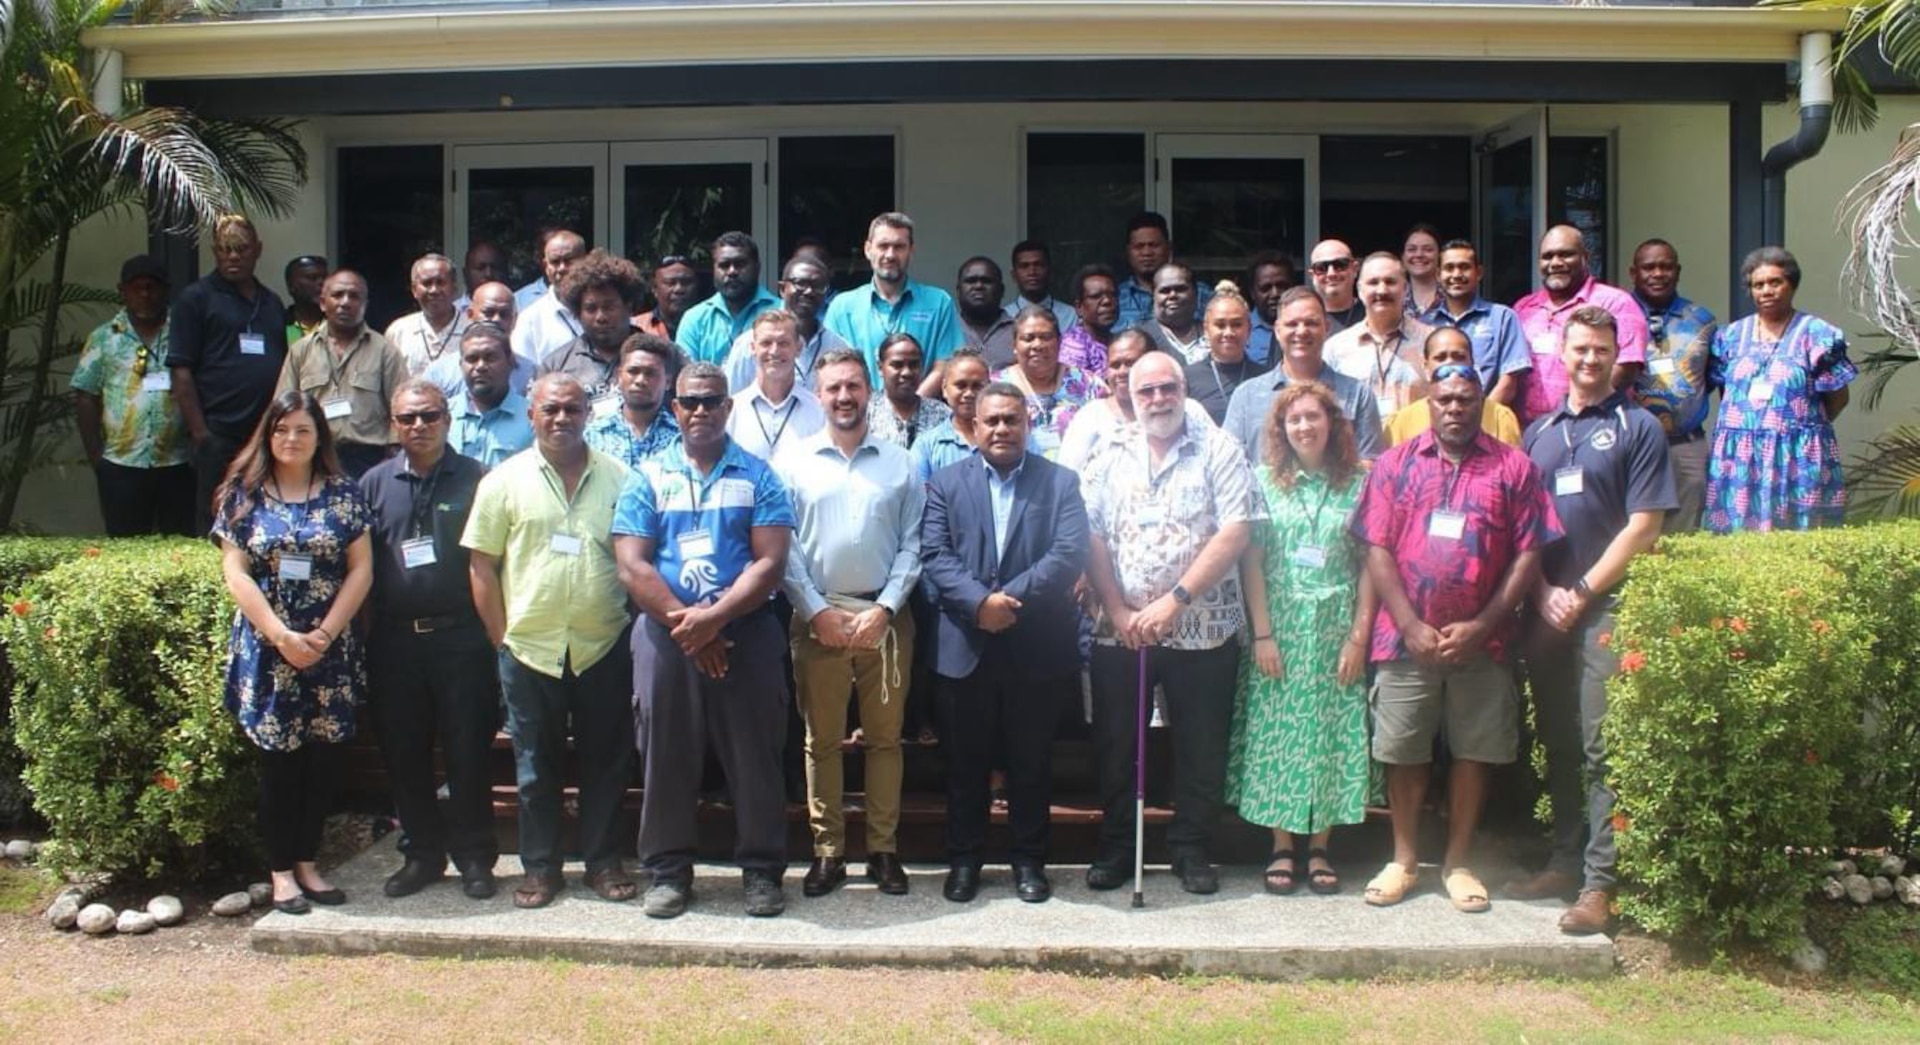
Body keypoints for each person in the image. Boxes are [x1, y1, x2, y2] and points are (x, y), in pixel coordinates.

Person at [1350, 364, 1561, 913]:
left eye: (1465, 399)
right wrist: (1409, 623)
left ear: (1480, 402)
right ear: (1429, 402)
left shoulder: (1514, 467)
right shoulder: (1395, 465)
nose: (1454, 408)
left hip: (1484, 643)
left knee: (1475, 750)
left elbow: (1529, 550)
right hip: (1403, 641)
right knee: (1403, 749)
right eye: (1444, 399)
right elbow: (1374, 546)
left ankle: (1459, 862)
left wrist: (1485, 623)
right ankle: (1403, 860)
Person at [1509, 306, 1674, 935]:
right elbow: (1524, 527)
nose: (1589, 359)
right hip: (1546, 607)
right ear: (1562, 354)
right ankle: (1562, 861)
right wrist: (1546, 589)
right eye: (1579, 349)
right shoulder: (1540, 432)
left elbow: (1644, 527)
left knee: (1599, 743)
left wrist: (1578, 590)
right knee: (1555, 736)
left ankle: (1599, 885)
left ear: (1616, 354)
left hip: (1603, 606)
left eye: (1601, 350)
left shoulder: (1638, 428)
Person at [613, 362, 797, 919]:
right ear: (675, 409)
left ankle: (763, 871)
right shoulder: (647, 475)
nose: (700, 411)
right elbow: (631, 564)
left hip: (746, 632)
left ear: (727, 407)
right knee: (665, 751)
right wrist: (689, 626)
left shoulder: (759, 475)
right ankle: (667, 872)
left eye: (711, 401)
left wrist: (713, 619)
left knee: (755, 752)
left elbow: (770, 562)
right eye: (690, 402)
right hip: (667, 636)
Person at [1083, 352, 1256, 895]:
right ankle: (1118, 846)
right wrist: (1117, 609)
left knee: (1201, 745)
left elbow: (1236, 530)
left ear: (1184, 389)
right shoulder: (1109, 451)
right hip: (1122, 629)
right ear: (1131, 397)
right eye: (1146, 391)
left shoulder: (1219, 448)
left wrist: (1175, 601)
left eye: (1166, 388)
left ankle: (1191, 848)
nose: (1157, 399)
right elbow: (1089, 534)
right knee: (1117, 744)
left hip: (1201, 626)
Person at [461, 374, 636, 910]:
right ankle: (540, 868)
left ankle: (603, 863)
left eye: (572, 409)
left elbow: (636, 562)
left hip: (602, 642)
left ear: (589, 413)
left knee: (606, 762)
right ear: (532, 415)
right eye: (550, 409)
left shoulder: (622, 479)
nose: (562, 418)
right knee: (535, 767)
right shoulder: (502, 482)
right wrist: (501, 641)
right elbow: (482, 566)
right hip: (529, 647)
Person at [921, 381, 1087, 904]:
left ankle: (1028, 861)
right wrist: (978, 604)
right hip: (965, 647)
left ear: (1027, 424)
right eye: (991, 420)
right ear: (973, 426)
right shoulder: (946, 483)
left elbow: (1067, 554)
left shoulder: (1060, 483)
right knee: (965, 764)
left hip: (1034, 645)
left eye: (1011, 420)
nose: (1001, 429)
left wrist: (1005, 602)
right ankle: (965, 860)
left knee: (1030, 762)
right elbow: (934, 553)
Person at [212, 389, 374, 915]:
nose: (291, 439)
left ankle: (308, 862)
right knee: (280, 766)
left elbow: (362, 570)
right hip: (269, 650)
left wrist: (324, 635)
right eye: (282, 430)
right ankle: (281, 871)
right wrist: (281, 634)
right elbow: (234, 572)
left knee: (323, 763)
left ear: (319, 437)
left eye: (303, 430)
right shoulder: (245, 495)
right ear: (268, 434)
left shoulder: (344, 495)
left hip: (330, 649)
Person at [775, 350, 924, 899]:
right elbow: (782, 547)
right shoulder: (793, 462)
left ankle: (883, 850)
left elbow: (914, 544)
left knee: (886, 741)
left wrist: (885, 608)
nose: (844, 396)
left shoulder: (899, 462)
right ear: (819, 395)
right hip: (819, 619)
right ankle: (828, 852)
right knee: (822, 743)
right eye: (833, 387)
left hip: (885, 620)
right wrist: (815, 610)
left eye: (854, 386)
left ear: (870, 392)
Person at [1230, 380, 1375, 897]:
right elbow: (1253, 559)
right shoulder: (1264, 481)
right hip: (1282, 626)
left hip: (1338, 624)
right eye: (1294, 420)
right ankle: (1282, 847)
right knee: (1279, 737)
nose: (1304, 427)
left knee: (1330, 735)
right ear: (1280, 429)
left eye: (1314, 417)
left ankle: (1320, 846)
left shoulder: (1360, 483)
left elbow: (1370, 566)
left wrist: (1359, 637)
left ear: (1332, 424)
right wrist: (1262, 634)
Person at [359, 379, 501, 901]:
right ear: (393, 424)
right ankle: (421, 854)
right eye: (407, 418)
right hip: (396, 643)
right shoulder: (373, 484)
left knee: (468, 751)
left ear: (447, 418)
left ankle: (475, 857)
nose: (418, 426)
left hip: (461, 638)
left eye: (429, 416)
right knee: (405, 752)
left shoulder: (477, 479)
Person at [1704, 246, 1857, 533]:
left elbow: (1838, 397)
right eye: (1758, 285)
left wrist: (1796, 428)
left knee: (1798, 541)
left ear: (1792, 284)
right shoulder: (1730, 336)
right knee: (1738, 544)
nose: (1767, 291)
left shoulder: (1817, 334)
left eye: (1776, 282)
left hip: (1796, 456)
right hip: (1740, 458)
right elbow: (1727, 392)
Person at [168, 214, 291, 534]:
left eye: (241, 248)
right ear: (214, 251)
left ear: (257, 250)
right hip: (217, 432)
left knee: (263, 514)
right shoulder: (195, 298)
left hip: (263, 434)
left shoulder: (272, 302)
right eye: (225, 249)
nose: (233, 256)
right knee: (213, 516)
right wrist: (200, 435)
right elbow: (181, 371)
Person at [73, 254, 195, 536]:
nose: (145, 294)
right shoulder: (104, 338)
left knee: (180, 545)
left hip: (177, 463)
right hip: (121, 464)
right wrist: (97, 458)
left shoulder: (185, 332)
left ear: (166, 289)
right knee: (125, 544)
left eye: (152, 286)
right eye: (136, 287)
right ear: (122, 291)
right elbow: (85, 396)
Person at [1223, 287, 1386, 463]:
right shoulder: (1246, 397)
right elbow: (1230, 466)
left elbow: (1370, 468)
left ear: (1327, 328)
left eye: (1311, 323)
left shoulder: (1357, 395)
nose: (1301, 331)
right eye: (1292, 324)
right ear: (1277, 330)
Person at [277, 269, 409, 478]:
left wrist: (390, 459)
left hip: (369, 461)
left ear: (365, 304)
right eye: (337, 295)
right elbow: (283, 407)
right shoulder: (301, 351)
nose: (345, 302)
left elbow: (402, 407)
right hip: (314, 459)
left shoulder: (385, 351)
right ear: (322, 302)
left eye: (354, 296)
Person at [1513, 225, 1649, 425]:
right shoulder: (1523, 308)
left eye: (1565, 254)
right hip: (1528, 432)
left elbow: (1626, 369)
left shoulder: (1616, 302)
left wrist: (1575, 415)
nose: (1556, 263)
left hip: (1596, 425)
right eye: (1547, 256)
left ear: (1586, 257)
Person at [1629, 239, 1718, 533]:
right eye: (1649, 267)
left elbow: (1717, 381)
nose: (1658, 274)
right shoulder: (1617, 316)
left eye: (1666, 267)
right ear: (1634, 273)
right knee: (1631, 530)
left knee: (1683, 534)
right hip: (1630, 446)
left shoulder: (1701, 320)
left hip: (1686, 445)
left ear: (1677, 272)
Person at [823, 212, 964, 393]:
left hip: (923, 415)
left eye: (899, 247)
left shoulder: (938, 303)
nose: (890, 254)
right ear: (868, 250)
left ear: (911, 251)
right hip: (860, 415)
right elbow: (831, 368)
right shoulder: (842, 307)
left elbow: (945, 365)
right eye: (883, 246)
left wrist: (911, 407)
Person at [1325, 253, 1434, 425]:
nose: (1382, 290)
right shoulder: (1335, 348)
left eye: (1390, 282)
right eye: (1373, 282)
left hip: (1415, 449)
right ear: (1360, 290)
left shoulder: (1431, 342)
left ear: (1405, 289)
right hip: (1358, 449)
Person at [536, 249, 646, 417]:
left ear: (629, 306)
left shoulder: (664, 357)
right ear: (577, 312)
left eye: (609, 307)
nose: (601, 317)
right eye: (591, 308)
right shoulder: (556, 365)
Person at [722, 254, 853, 394]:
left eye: (818, 285)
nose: (809, 291)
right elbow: (730, 402)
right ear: (782, 289)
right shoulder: (749, 344)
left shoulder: (838, 346)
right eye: (800, 283)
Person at [992, 306, 1108, 458]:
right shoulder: (995, 386)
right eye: (1028, 338)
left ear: (1059, 342)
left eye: (1046, 337)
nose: (1037, 345)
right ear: (1014, 345)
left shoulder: (1088, 383)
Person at [1385, 328, 1525, 448]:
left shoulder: (1500, 417)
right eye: (1440, 358)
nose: (1450, 364)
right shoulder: (1401, 423)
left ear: (1471, 364)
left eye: (1459, 357)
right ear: (1426, 368)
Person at [1430, 240, 1530, 408]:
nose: (1456, 274)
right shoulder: (1426, 324)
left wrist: (1476, 422)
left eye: (1464, 267)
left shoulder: (1502, 318)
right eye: (1449, 268)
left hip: (1486, 425)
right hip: (1435, 426)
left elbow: (1508, 383)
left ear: (1479, 273)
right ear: (1438, 275)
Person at [727, 310, 826, 460]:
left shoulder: (819, 411)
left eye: (783, 343)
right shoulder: (731, 411)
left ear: (798, 348)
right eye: (766, 343)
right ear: (753, 348)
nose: (774, 351)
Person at [678, 232, 782, 365]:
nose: (732, 271)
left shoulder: (781, 312)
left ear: (757, 267)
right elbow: (686, 378)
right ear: (714, 270)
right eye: (724, 265)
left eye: (740, 264)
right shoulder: (695, 319)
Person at [585, 332, 684, 467]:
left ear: (668, 382)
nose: (640, 381)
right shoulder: (593, 435)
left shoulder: (681, 438)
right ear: (619, 376)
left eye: (650, 373)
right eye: (633, 371)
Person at [445, 323, 534, 469]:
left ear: (511, 363)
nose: (480, 366)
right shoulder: (441, 416)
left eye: (490, 357)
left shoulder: (532, 418)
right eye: (472, 359)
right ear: (460, 365)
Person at [426, 280, 532, 400]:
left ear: (515, 319)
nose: (496, 319)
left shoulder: (530, 372)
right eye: (489, 313)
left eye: (504, 314)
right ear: (470, 315)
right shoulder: (440, 373)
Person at [1184, 281, 1271, 425]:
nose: (1229, 332)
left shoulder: (1266, 378)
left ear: (1249, 329)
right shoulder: (1186, 379)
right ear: (1206, 330)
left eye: (1237, 324)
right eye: (1220, 325)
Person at [1115, 212, 1211, 332]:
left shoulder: (1201, 293)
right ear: (1128, 252)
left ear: (1169, 248)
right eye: (1139, 246)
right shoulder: (1115, 297)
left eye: (1153, 245)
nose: (1146, 253)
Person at [912, 348, 995, 483]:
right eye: (961, 385)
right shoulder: (927, 445)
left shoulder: (1004, 439)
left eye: (977, 386)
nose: (969, 394)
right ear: (944, 388)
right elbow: (919, 497)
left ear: (989, 387)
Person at [384, 253, 470, 375]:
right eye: (427, 283)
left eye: (441, 282)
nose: (434, 290)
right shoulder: (399, 331)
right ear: (414, 290)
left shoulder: (472, 329)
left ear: (454, 288)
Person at [510, 229, 588, 363]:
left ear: (586, 261)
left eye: (569, 260)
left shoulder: (604, 310)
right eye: (555, 262)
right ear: (546, 266)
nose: (562, 268)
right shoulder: (531, 319)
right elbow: (523, 374)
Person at [866, 333, 951, 449]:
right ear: (881, 368)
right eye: (897, 365)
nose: (907, 372)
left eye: (913, 365)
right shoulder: (865, 414)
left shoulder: (943, 415)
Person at [956, 257, 1019, 369]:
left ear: (1001, 290)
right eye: (971, 281)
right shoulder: (945, 330)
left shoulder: (1020, 332)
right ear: (958, 290)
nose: (978, 286)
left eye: (987, 281)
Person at [1004, 240, 1078, 334]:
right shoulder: (1004, 317)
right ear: (1014, 275)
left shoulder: (1071, 316)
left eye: (1039, 265)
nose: (1032, 272)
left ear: (1050, 271)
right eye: (1024, 266)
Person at [1059, 264, 1120, 376]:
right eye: (1096, 296)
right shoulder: (1073, 346)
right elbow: (1078, 390)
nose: (1107, 301)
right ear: (1079, 307)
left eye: (1113, 295)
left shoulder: (1119, 341)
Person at [1142, 264, 1208, 363]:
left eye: (1180, 289)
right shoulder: (1141, 338)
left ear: (1195, 293)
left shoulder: (1212, 333)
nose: (1172, 295)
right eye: (1165, 291)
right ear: (1153, 296)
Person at [1245, 251, 1298, 367]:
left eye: (1282, 286)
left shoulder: (1306, 330)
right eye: (1266, 288)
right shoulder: (1239, 331)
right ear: (1252, 293)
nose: (1275, 294)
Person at [636, 254, 699, 341]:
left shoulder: (708, 325)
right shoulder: (636, 327)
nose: (679, 289)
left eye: (686, 282)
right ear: (654, 288)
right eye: (670, 283)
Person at [1307, 240, 1366, 331]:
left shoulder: (1373, 315)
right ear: (1312, 275)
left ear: (1355, 269)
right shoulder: (1303, 319)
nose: (1331, 274)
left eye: (1340, 265)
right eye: (1321, 268)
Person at [1402, 223, 1444, 319]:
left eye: (1428, 250)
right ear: (1403, 257)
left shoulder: (1452, 296)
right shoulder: (1394, 297)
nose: (1419, 254)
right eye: (1411, 249)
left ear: (1439, 256)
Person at [283, 254, 327, 344]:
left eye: (325, 278)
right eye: (312, 278)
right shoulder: (279, 324)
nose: (322, 283)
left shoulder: (338, 324)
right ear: (291, 286)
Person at [453, 241, 508, 312]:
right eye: (480, 268)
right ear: (465, 274)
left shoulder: (520, 311)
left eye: (495, 268)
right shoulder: (450, 313)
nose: (489, 274)